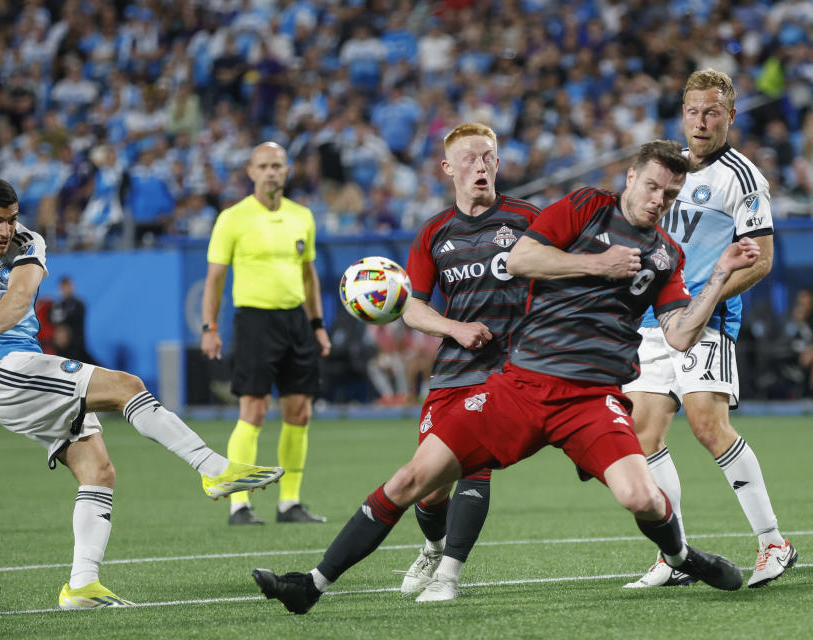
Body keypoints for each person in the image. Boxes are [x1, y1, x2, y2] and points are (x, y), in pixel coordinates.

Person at [252, 140, 756, 615]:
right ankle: (310, 585)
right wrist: (599, 264)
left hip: (590, 399)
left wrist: (718, 278)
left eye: (670, 194)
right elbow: (520, 258)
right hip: (520, 385)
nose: (659, 200)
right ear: (631, 177)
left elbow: (679, 335)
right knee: (412, 480)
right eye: (652, 187)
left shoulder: (666, 254)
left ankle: (679, 557)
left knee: (640, 497)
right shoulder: (584, 206)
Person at [0, 177, 284, 609]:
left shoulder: (28, 242)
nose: (6, 230)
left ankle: (81, 585)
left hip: (24, 368)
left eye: (11, 219)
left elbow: (20, 296)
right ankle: (214, 469)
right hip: (3, 376)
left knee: (99, 472)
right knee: (128, 386)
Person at [621, 70, 796, 589]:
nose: (701, 121)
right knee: (642, 433)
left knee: (706, 426)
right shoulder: (666, 170)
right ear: (683, 113)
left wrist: (706, 300)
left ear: (730, 116)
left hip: (706, 319)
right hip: (652, 321)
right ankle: (674, 557)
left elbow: (761, 260)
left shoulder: (742, 178)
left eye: (712, 111)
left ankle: (773, 542)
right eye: (694, 110)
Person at [397, 122, 540, 601]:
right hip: (451, 369)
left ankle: (448, 577)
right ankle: (433, 546)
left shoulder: (527, 220)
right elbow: (413, 307)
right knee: (430, 485)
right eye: (469, 158)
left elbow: (562, 276)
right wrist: (455, 328)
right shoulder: (434, 232)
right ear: (448, 168)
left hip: (508, 371)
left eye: (487, 157)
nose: (479, 166)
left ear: (497, 164)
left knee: (474, 464)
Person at [201, 141, 332, 526]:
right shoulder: (232, 218)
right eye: (264, 165)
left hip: (296, 322)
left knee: (299, 412)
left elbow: (309, 276)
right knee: (254, 410)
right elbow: (214, 279)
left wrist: (318, 325)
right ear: (252, 171)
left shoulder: (302, 217)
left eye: (278, 165)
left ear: (287, 170)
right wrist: (210, 327)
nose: (272, 171)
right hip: (255, 321)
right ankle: (239, 504)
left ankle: (289, 503)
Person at [50, 276, 97, 364]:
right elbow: (57, 326)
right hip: (62, 351)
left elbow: (74, 321)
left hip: (77, 348)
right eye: (64, 287)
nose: (66, 289)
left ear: (72, 287)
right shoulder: (57, 306)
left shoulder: (79, 304)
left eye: (68, 286)